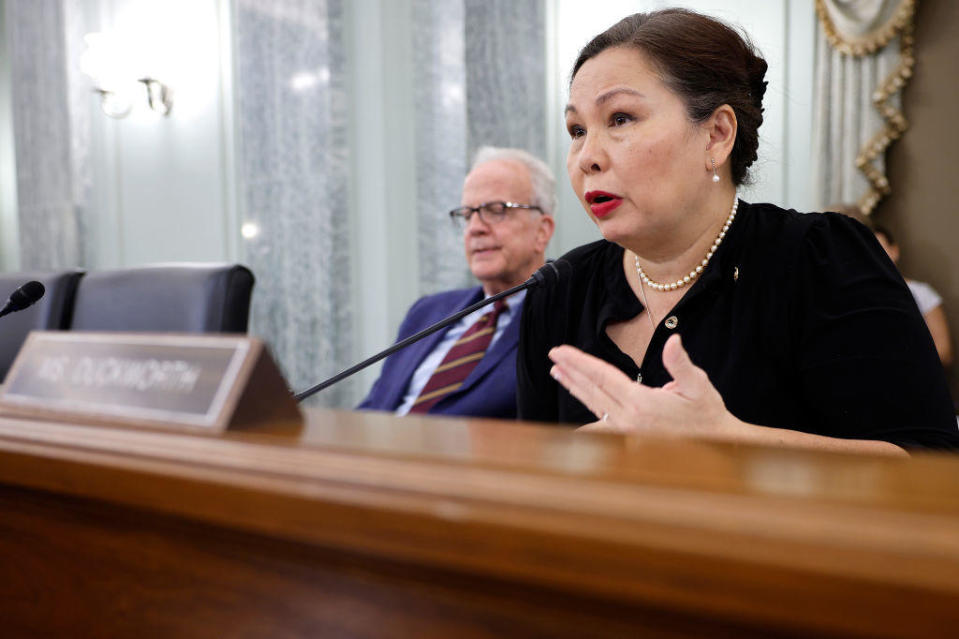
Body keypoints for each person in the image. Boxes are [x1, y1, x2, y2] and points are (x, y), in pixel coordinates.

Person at [517, 9, 959, 452]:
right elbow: (533, 478)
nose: (585, 157)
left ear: (716, 135)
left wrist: (729, 442)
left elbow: (930, 464)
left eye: (620, 119)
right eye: (577, 129)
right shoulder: (560, 290)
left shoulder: (820, 260)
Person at [359, 146, 556, 417]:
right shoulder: (427, 312)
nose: (475, 227)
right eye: (467, 214)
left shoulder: (567, 317)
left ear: (542, 231)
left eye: (496, 210)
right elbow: (374, 408)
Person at [872, 224, 953, 367]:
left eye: (882, 249)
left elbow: (945, 352)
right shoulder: (863, 299)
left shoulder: (921, 292)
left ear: (894, 250)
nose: (878, 258)